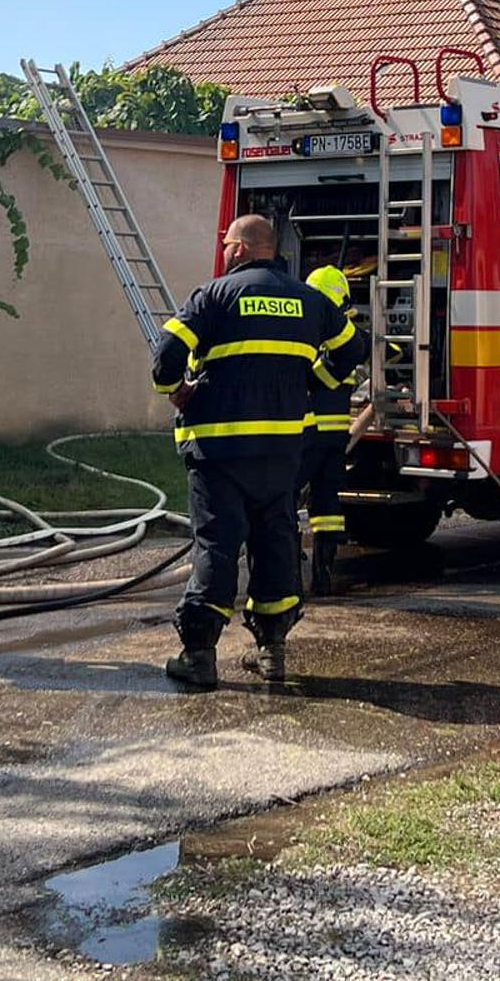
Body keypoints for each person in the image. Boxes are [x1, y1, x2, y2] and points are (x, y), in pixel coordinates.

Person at [152, 213, 345, 690]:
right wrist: (312, 378)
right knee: (276, 541)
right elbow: (351, 349)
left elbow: (165, 357)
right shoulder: (310, 301)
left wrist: (178, 389)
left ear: (239, 249)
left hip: (219, 451)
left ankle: (199, 655)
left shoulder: (214, 296)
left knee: (218, 544)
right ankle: (272, 651)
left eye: (226, 244)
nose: (222, 252)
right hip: (282, 452)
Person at [297, 265, 366, 597]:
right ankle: (323, 575)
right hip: (336, 437)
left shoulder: (309, 329)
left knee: (284, 498)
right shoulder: (350, 334)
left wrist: (307, 379)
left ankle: (289, 568)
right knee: (327, 506)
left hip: (306, 433)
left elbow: (310, 377)